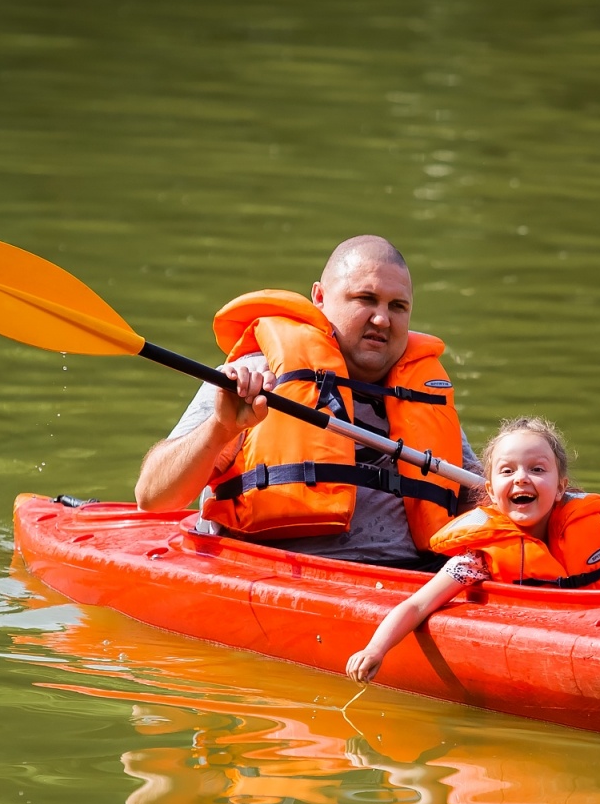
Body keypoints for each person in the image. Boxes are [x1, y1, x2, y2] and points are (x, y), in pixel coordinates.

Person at [135, 235, 481, 567]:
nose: (381, 319)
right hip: (284, 576)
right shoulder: (253, 376)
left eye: (398, 306)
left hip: (417, 581)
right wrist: (220, 429)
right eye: (365, 299)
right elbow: (152, 497)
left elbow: (480, 502)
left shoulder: (425, 394)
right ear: (320, 296)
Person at [345, 416, 600, 683]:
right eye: (508, 471)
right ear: (491, 492)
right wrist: (374, 648)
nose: (522, 478)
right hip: (558, 645)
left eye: (538, 469)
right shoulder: (478, 558)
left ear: (561, 486)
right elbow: (417, 606)